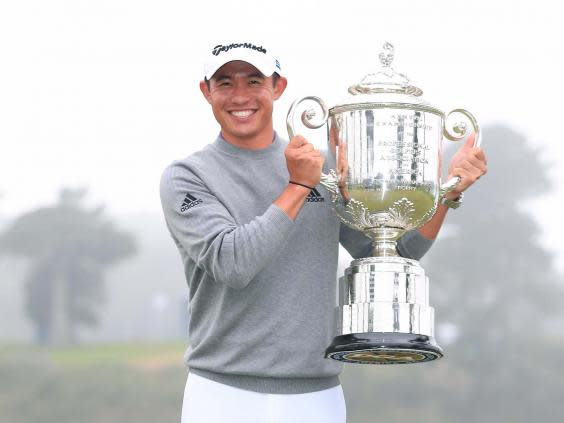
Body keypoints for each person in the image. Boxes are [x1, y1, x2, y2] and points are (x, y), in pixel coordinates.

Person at [159, 42, 487, 423]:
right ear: (206, 91)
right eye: (225, 83)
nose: (241, 96)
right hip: (221, 395)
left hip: (316, 397)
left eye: (254, 81)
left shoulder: (323, 169)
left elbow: (393, 253)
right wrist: (298, 187)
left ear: (278, 87)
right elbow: (233, 263)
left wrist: (448, 192)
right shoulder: (188, 177)